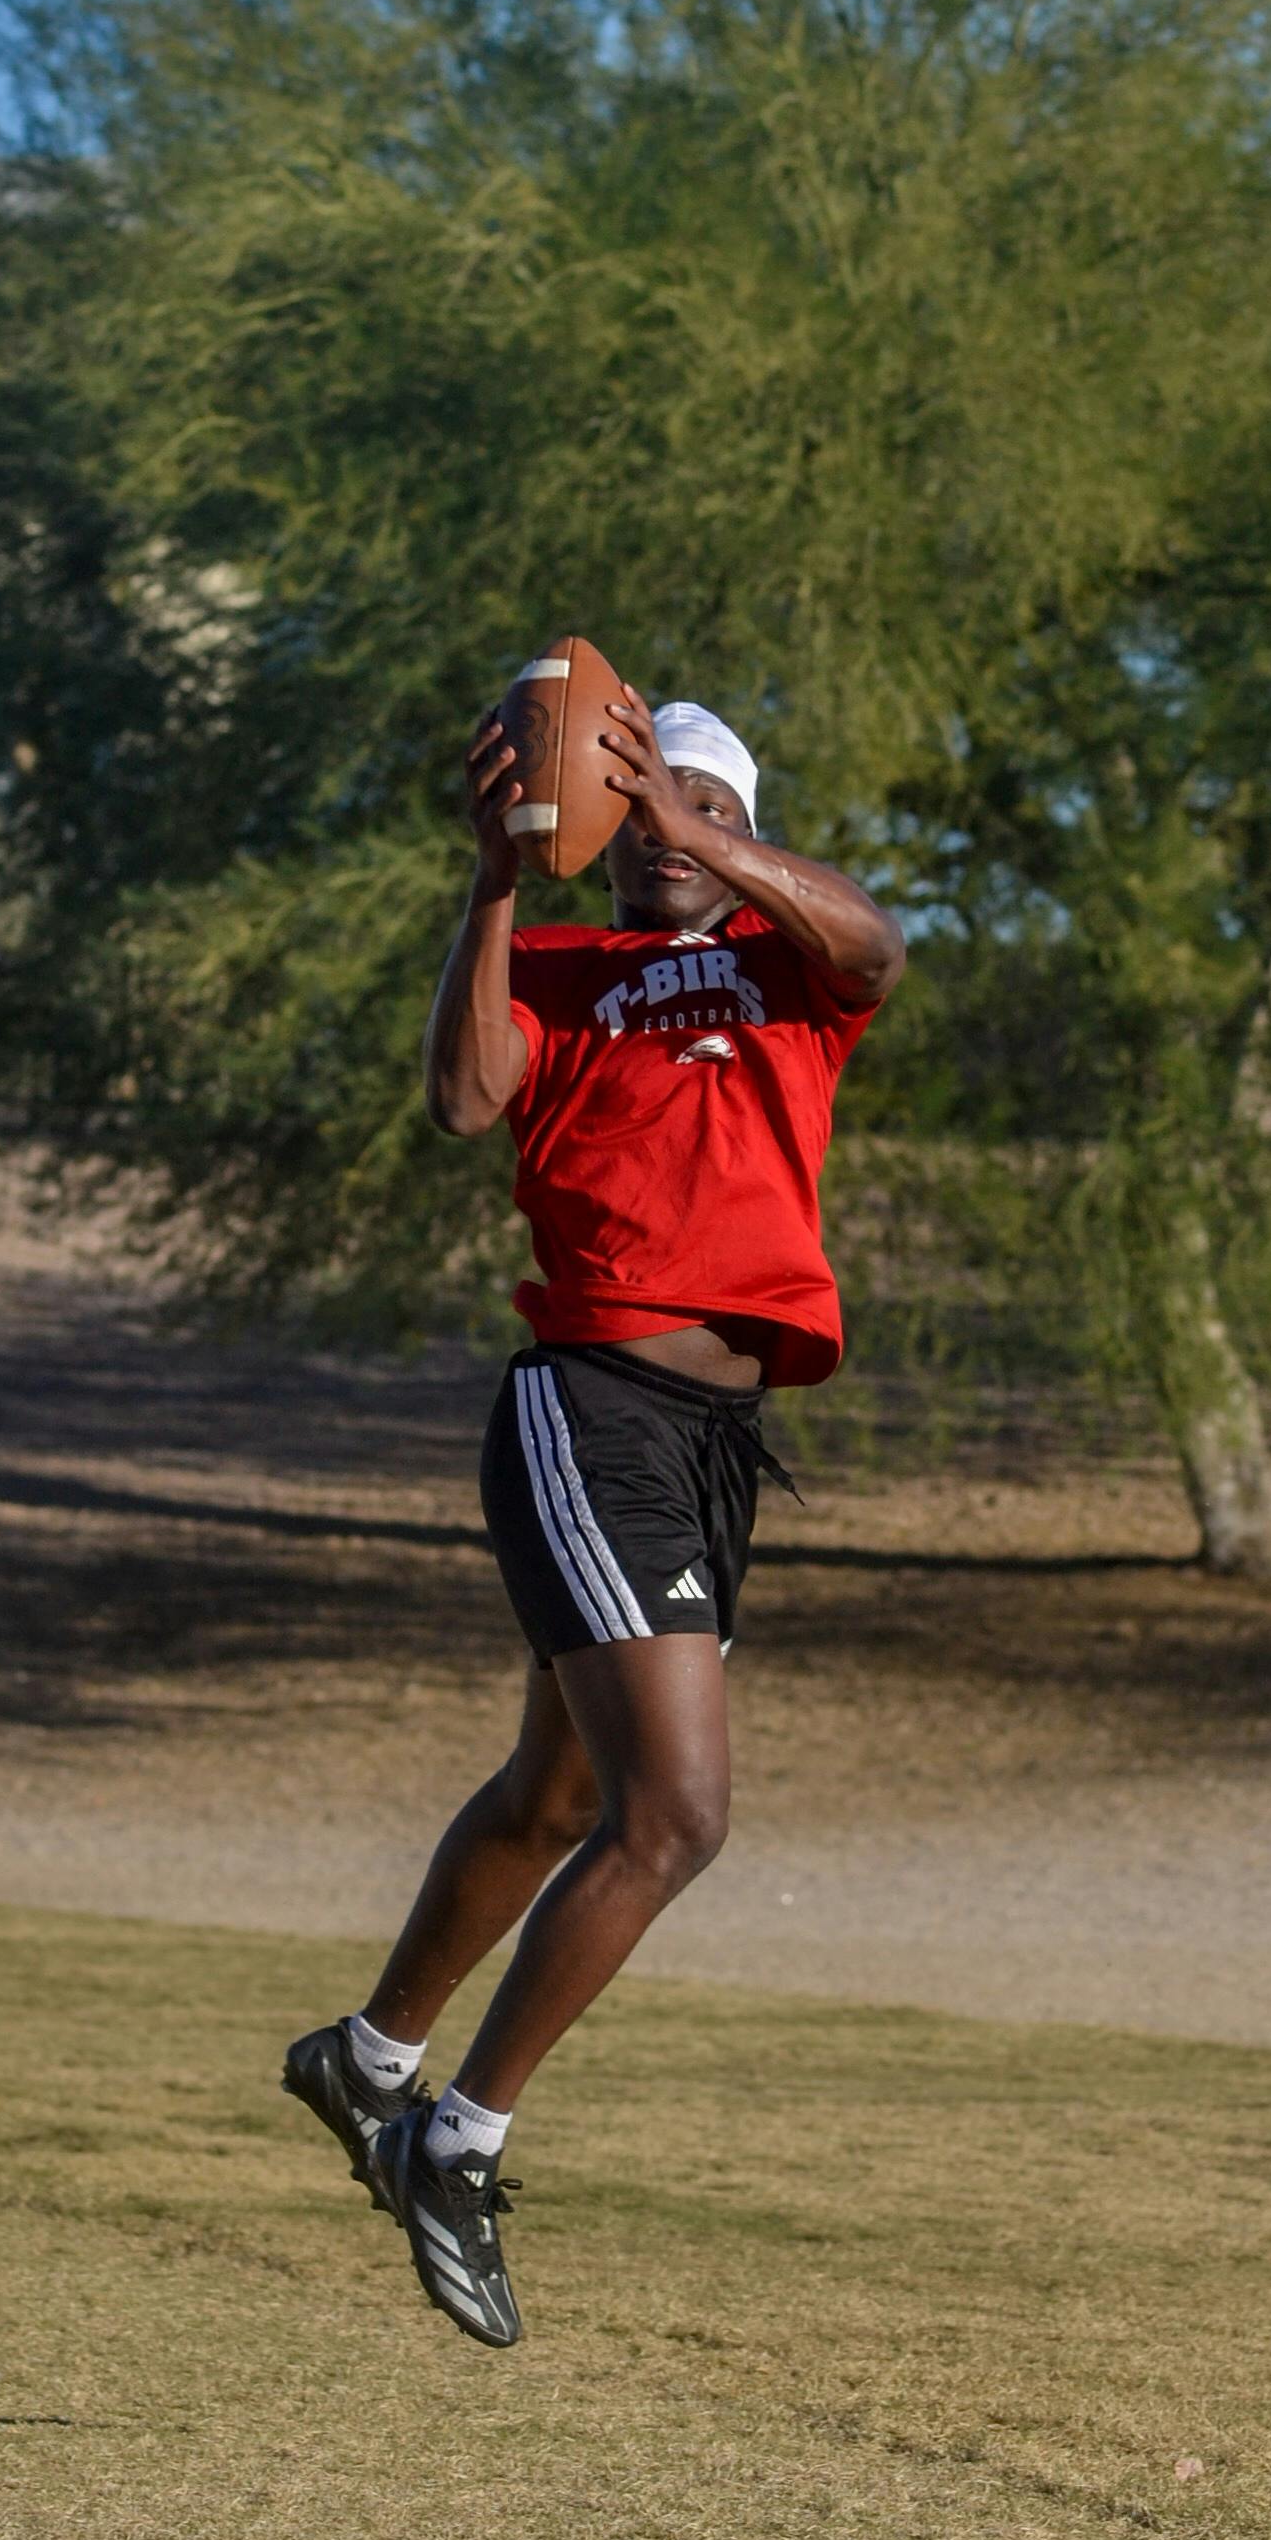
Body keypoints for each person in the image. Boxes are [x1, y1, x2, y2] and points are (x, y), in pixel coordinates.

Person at [282, 682, 902, 2345]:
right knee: (675, 1813)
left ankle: (368, 2055)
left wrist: (701, 819)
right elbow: (463, 1100)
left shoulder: (791, 969)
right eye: (634, 811)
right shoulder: (561, 967)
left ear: (743, 824)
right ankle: (455, 2140)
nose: (663, 835)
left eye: (694, 806)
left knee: (558, 1788)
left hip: (718, 1428)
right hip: (595, 1400)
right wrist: (495, 877)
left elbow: (880, 945)